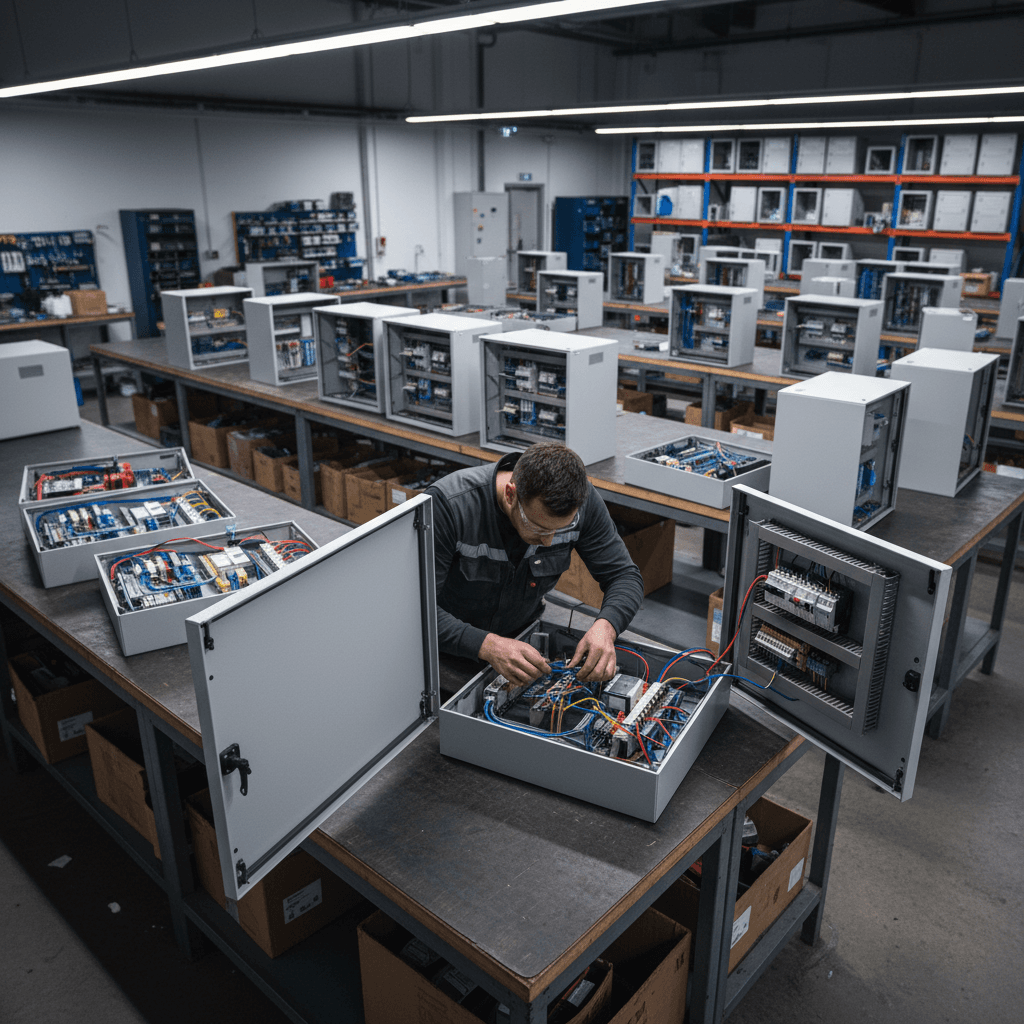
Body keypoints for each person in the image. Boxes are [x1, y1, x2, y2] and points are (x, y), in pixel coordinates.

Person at [425, 442, 644, 688]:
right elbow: (417, 609)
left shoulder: (582, 501)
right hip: (446, 656)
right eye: (538, 528)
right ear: (510, 494)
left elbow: (624, 575)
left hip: (521, 644)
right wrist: (487, 645)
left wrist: (607, 626)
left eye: (560, 530)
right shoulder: (449, 506)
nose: (548, 541)